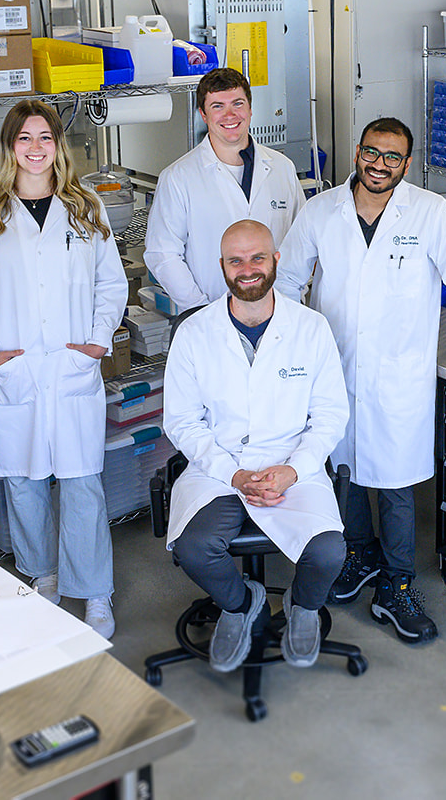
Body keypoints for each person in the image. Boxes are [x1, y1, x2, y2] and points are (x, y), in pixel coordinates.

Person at [276, 117, 446, 645]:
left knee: (394, 485)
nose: (379, 164)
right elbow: (285, 283)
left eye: (392, 157)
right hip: (334, 369)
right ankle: (359, 554)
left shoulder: (430, 212)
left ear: (406, 164)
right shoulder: (321, 210)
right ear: (357, 152)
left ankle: (397, 583)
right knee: (341, 472)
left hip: (400, 375)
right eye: (371, 153)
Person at [0, 100, 128, 638]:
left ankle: (95, 592)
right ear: (9, 147)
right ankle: (43, 577)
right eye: (24, 138)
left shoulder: (85, 205)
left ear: (58, 145)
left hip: (72, 369)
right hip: (15, 370)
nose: (35, 148)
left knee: (82, 485)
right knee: (23, 484)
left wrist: (97, 342)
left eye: (44, 137)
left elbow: (111, 283)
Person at [160, 220, 349, 671]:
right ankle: (243, 605)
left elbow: (329, 416)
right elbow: (183, 422)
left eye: (257, 258)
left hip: (291, 466)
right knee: (194, 548)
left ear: (275, 260)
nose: (248, 269)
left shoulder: (311, 328)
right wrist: (234, 475)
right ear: (222, 267)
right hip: (219, 469)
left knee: (329, 553)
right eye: (236, 260)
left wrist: (293, 469)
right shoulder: (194, 333)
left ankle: (303, 608)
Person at [144, 67, 303, 312]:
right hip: (211, 312)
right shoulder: (178, 178)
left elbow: (300, 242)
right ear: (204, 115)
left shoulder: (282, 167)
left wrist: (291, 300)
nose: (230, 115)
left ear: (250, 109)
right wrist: (200, 310)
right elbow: (163, 254)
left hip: (281, 311)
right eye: (218, 106)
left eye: (237, 104)